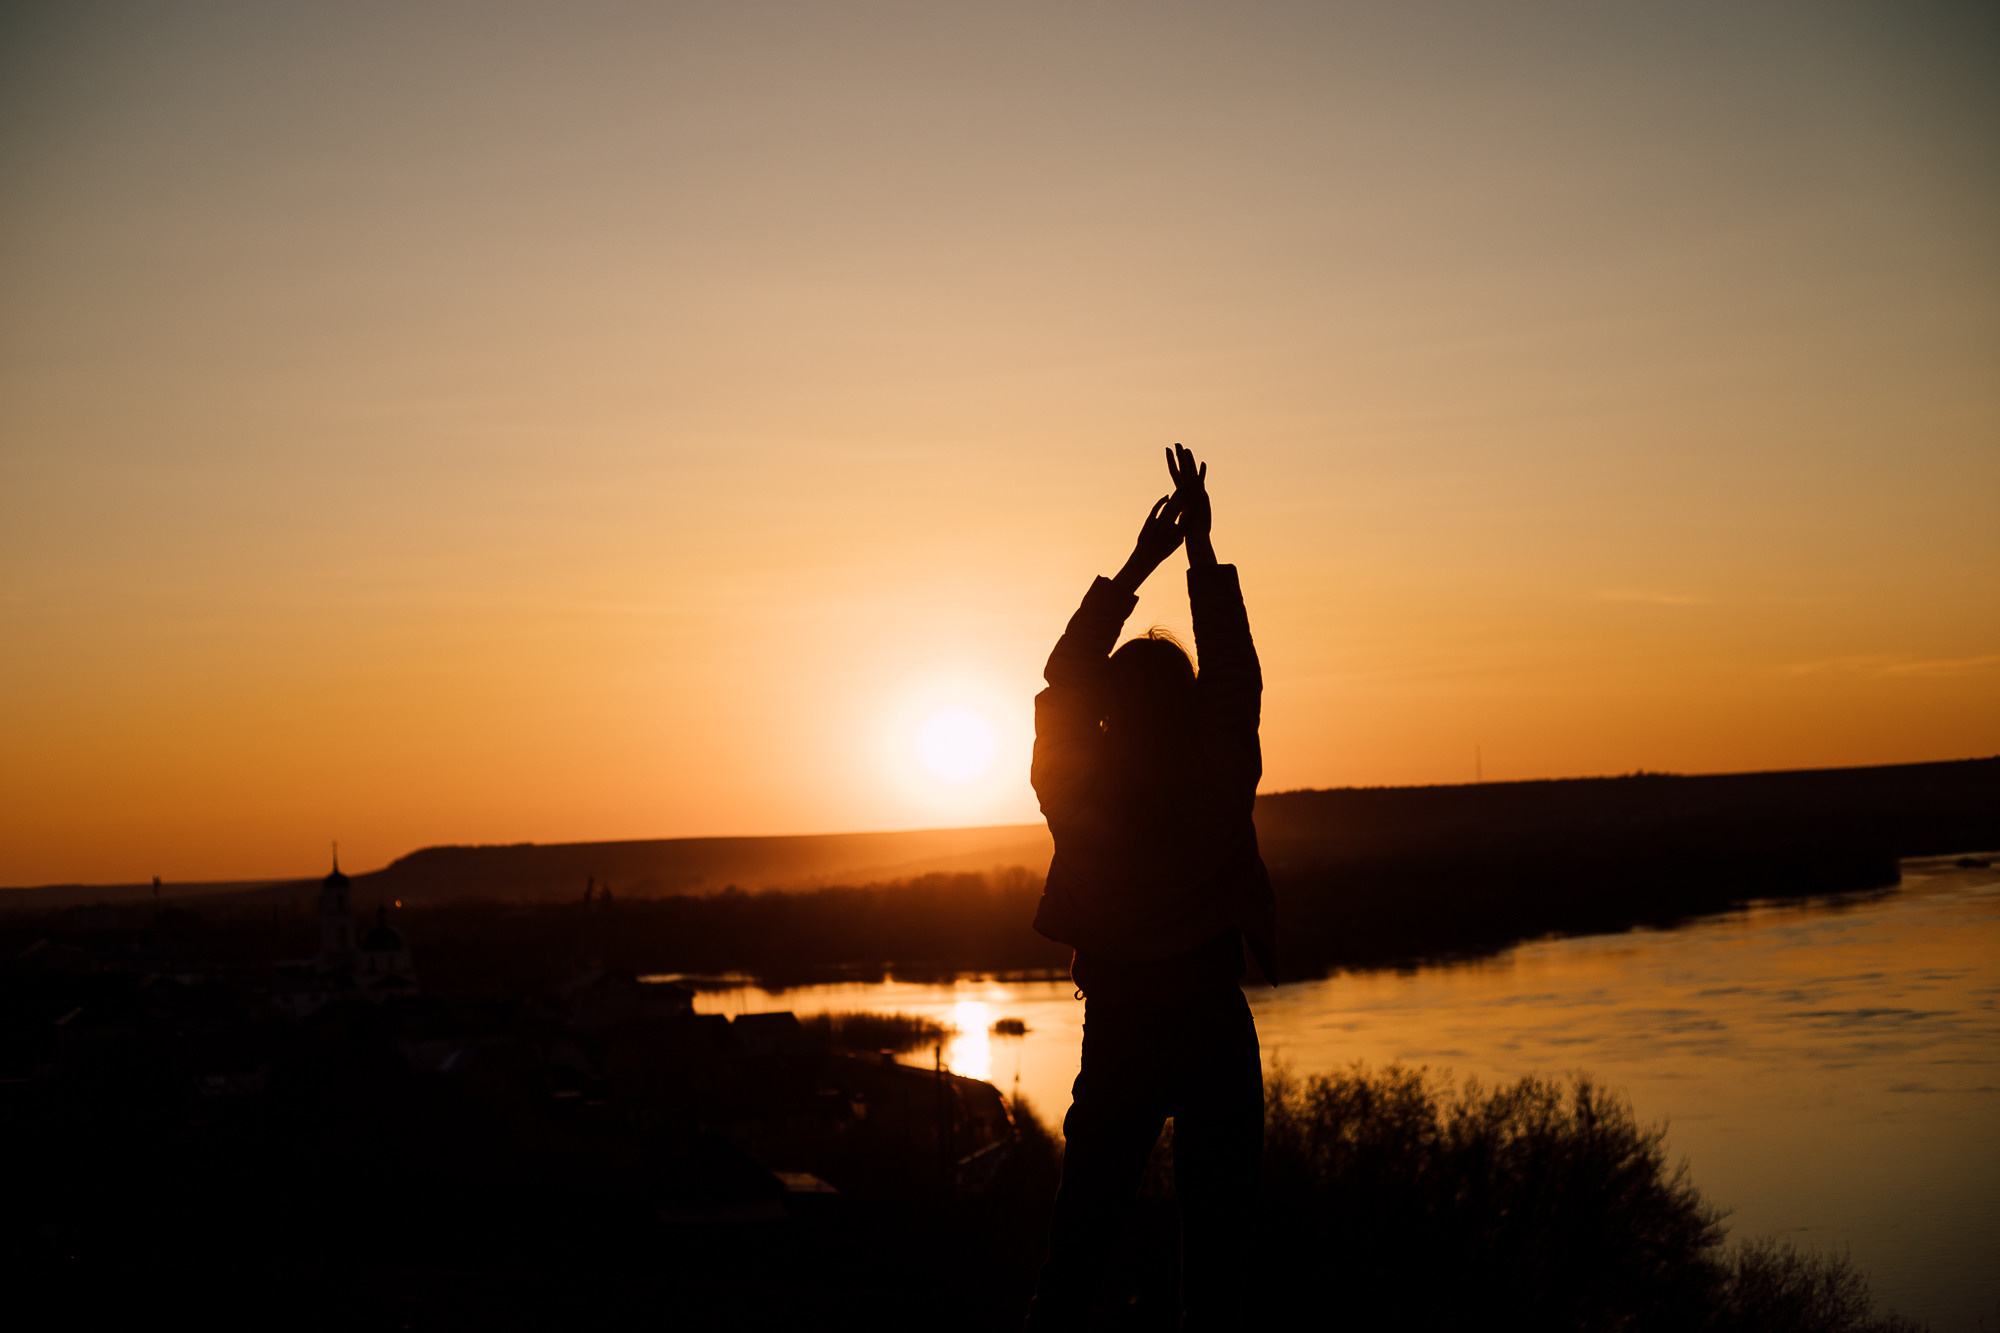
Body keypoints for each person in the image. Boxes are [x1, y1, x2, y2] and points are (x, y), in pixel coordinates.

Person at [1025, 445, 1276, 1331]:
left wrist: (1139, 565)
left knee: (1079, 1241)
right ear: (1189, 704)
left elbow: (1062, 679)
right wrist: (1202, 553)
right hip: (1211, 1020)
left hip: (1122, 1025)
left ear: (1106, 716)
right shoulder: (1219, 772)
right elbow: (1235, 679)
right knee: (1217, 1256)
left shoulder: (1077, 791)